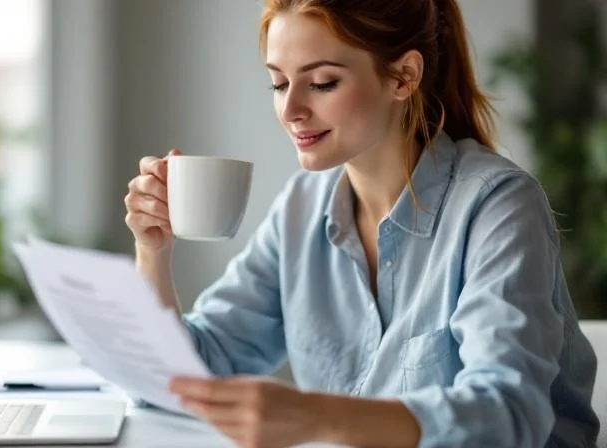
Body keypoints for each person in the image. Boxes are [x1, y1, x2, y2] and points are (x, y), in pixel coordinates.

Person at [123, 0, 600, 446]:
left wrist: (316, 416)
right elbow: (179, 380)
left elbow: (508, 416)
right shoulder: (301, 208)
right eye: (279, 83)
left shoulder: (497, 207)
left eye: (322, 83)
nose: (290, 111)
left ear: (404, 76)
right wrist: (153, 250)